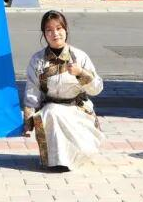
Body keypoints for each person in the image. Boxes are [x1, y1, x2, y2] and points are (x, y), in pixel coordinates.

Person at [22, 10, 104, 171]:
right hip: (51, 109)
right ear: (44, 34)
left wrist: (81, 73)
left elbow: (97, 89)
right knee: (52, 112)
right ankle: (57, 161)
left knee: (85, 151)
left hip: (78, 108)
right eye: (49, 30)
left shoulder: (79, 56)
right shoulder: (38, 60)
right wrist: (27, 121)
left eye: (59, 28)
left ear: (66, 30)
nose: (55, 34)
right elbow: (32, 92)